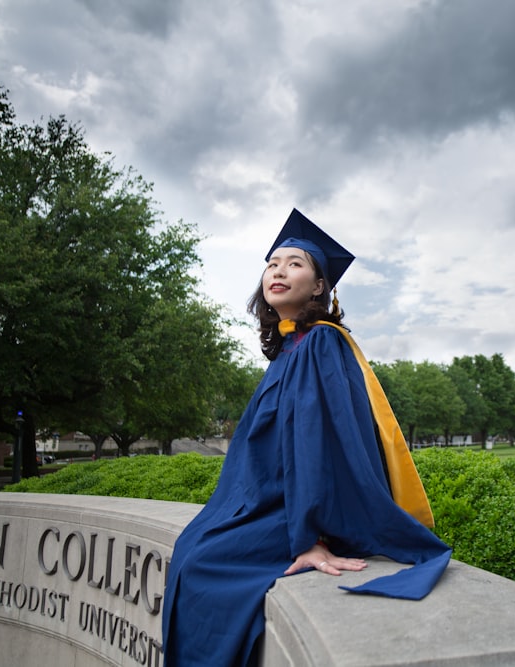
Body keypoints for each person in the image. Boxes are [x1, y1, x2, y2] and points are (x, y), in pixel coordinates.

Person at [162, 209, 452, 667]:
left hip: (293, 510)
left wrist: (309, 536)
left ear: (320, 286)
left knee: (204, 565)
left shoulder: (320, 343)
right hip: (270, 502)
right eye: (273, 263)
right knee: (191, 547)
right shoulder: (288, 350)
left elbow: (318, 445)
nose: (279, 270)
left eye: (295, 263)